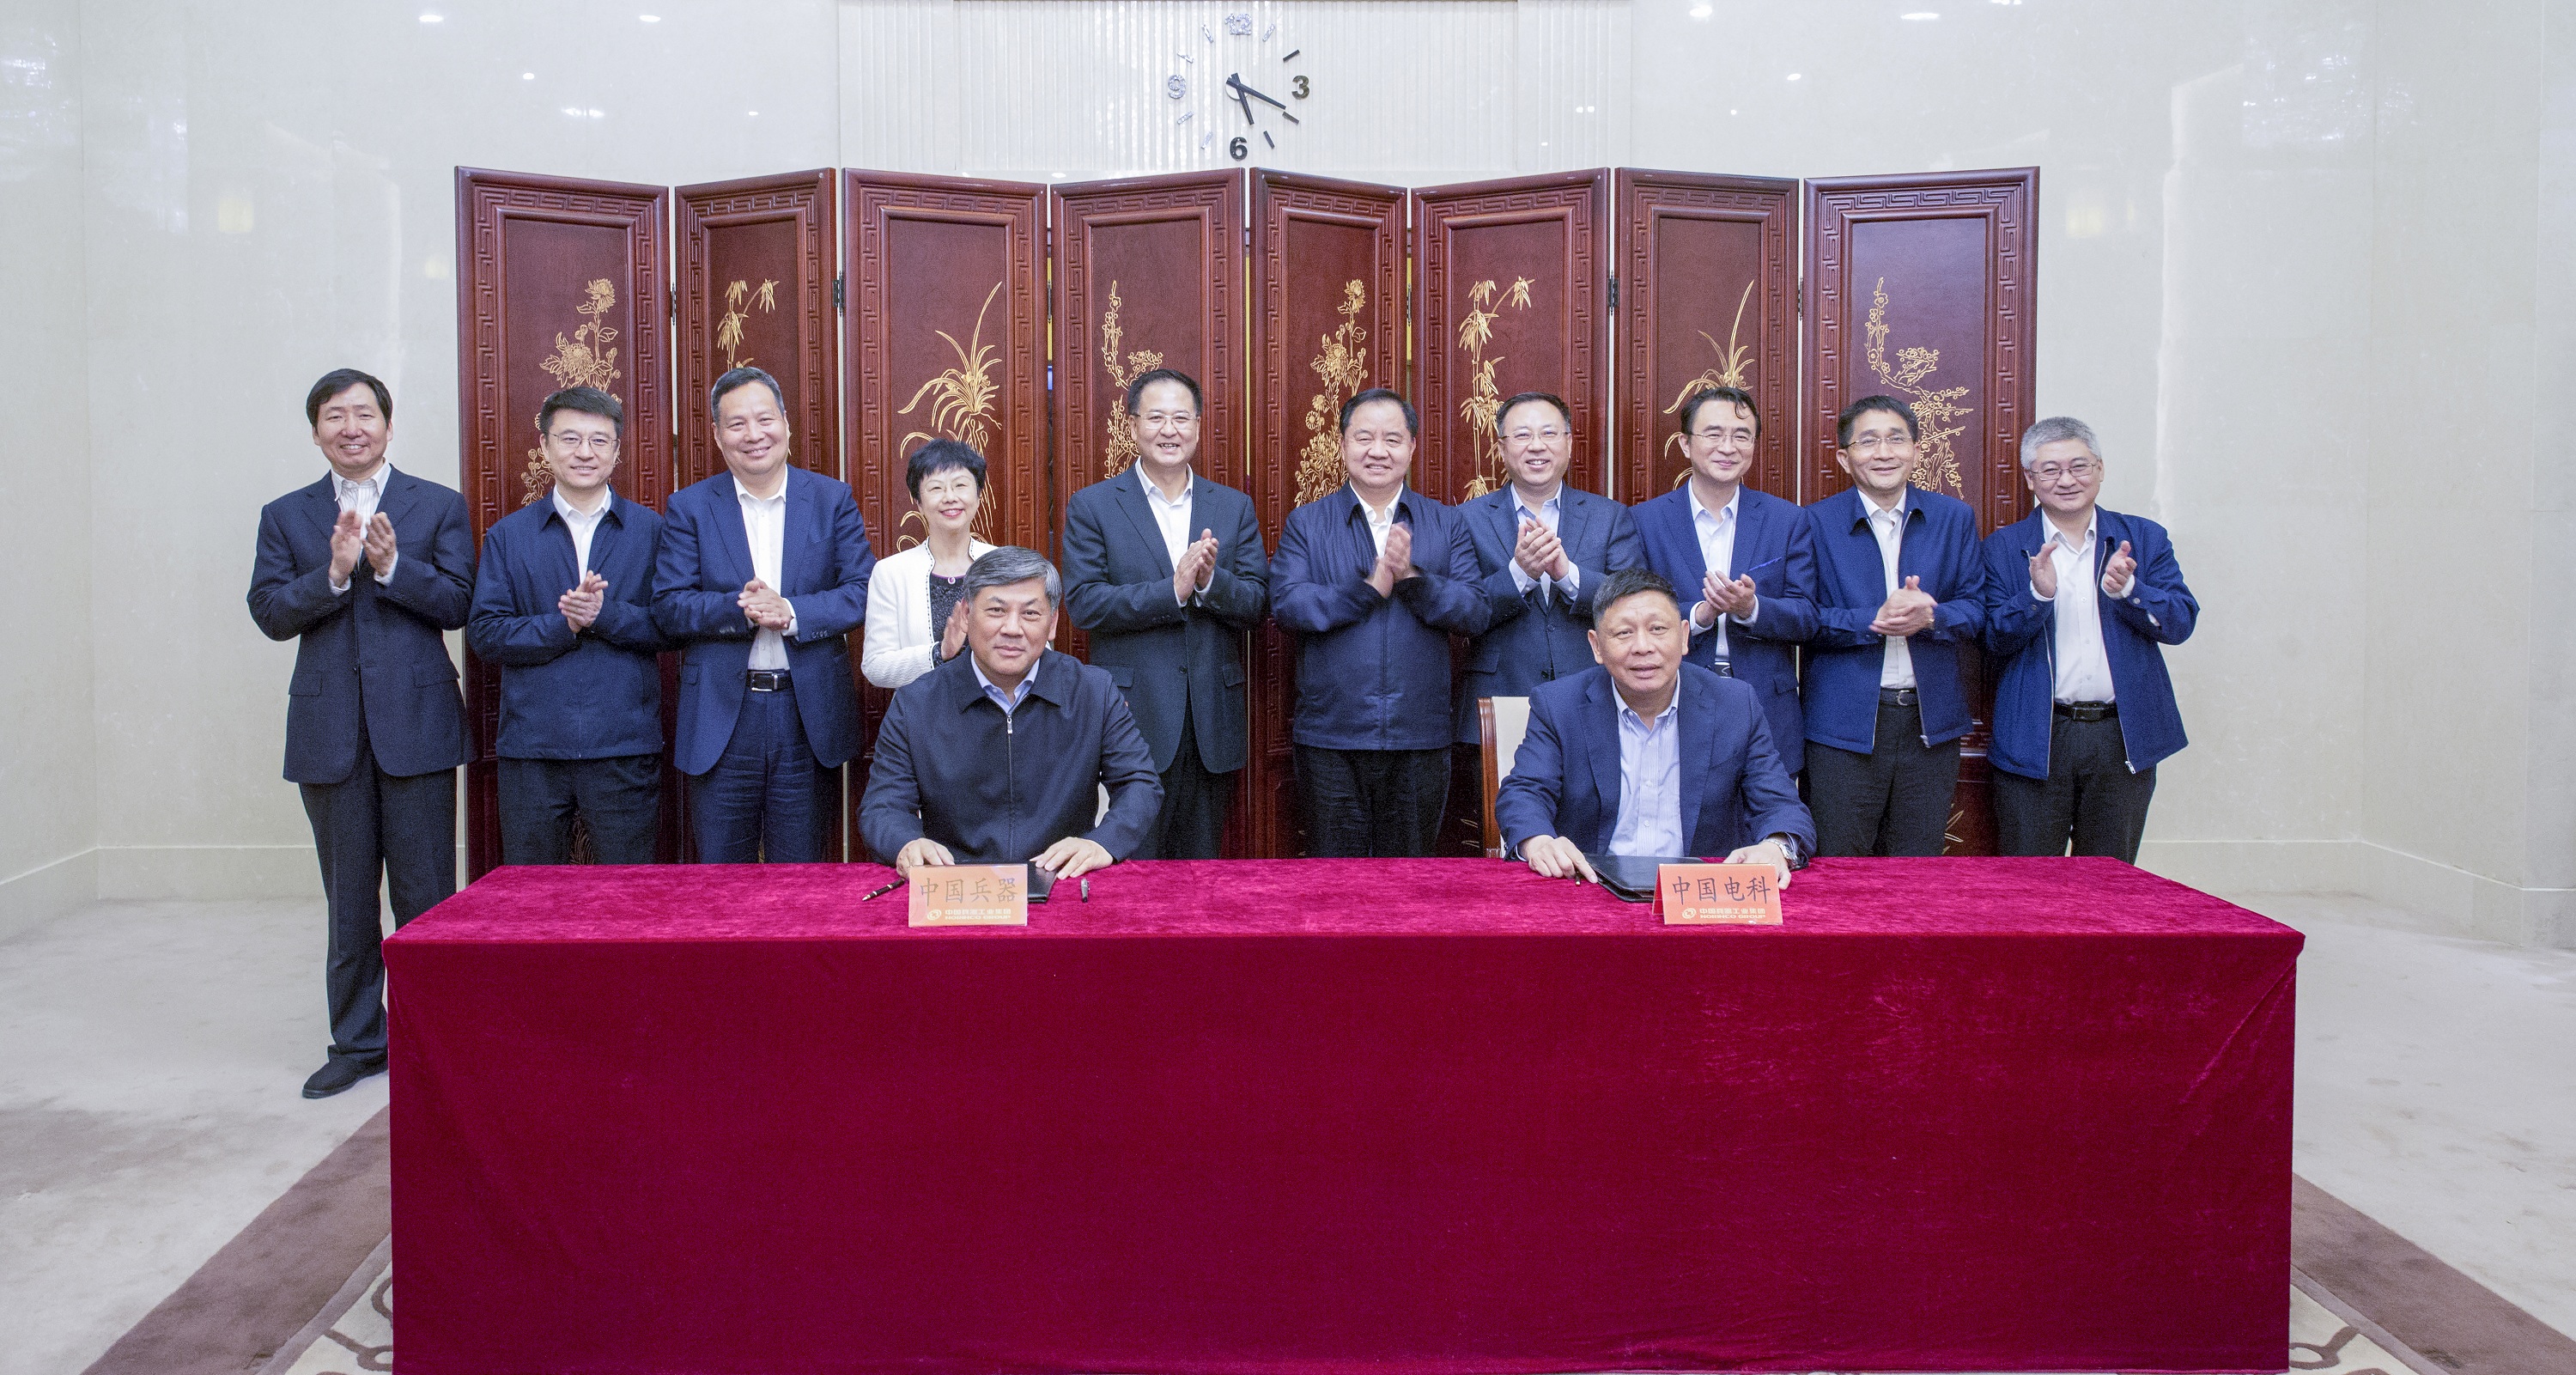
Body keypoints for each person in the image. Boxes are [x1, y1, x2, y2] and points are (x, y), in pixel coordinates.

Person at [246, 368, 472, 1098]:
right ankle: (357, 1041)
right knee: (348, 903)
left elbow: (459, 603)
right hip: (329, 732)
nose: (352, 427)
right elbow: (270, 612)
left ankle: (432, 1039)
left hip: (418, 728)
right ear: (316, 432)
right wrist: (336, 573)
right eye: (335, 416)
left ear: (388, 424)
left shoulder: (437, 504)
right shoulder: (286, 515)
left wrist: (394, 566)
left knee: (427, 895)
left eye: (365, 413)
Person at [653, 366, 877, 862]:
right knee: (720, 875)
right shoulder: (690, 507)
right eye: (737, 424)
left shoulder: (831, 499)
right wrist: (744, 610)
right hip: (722, 716)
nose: (753, 435)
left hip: (806, 712)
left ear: (786, 425)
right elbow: (668, 605)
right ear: (718, 435)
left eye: (764, 419)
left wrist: (791, 611)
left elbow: (864, 591)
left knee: (800, 874)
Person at [1272, 388, 1491, 857]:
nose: (1378, 451)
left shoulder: (1446, 522)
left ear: (1411, 447)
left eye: (1392, 439)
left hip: (1419, 736)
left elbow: (1474, 610)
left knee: (1408, 879)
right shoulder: (1307, 523)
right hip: (1331, 734)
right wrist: (1368, 589)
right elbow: (1288, 605)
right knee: (1338, 877)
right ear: (1342, 444)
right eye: (1364, 437)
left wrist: (1411, 579)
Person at [1061, 368, 1269, 859]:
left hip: (1211, 721)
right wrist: (1170, 592)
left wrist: (1210, 584)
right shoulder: (1094, 506)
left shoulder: (1233, 507)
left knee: (1200, 870)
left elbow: (1258, 603)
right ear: (1133, 425)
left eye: (1181, 418)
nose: (1169, 430)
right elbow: (1084, 603)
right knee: (1130, 867)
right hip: (1132, 715)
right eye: (1156, 418)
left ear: (1198, 425)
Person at [1496, 568, 1813, 885]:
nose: (1643, 646)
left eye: (1658, 629)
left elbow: (1781, 806)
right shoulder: (1558, 705)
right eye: (1624, 633)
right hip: (1590, 886)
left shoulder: (1734, 704)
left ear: (1684, 637)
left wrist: (1775, 847)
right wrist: (1538, 841)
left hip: (1700, 893)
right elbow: (1524, 793)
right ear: (1597, 646)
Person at [861, 546, 1163, 878]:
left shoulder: (1093, 691)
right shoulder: (917, 702)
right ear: (965, 615)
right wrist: (906, 843)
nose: (1012, 628)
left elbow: (1139, 783)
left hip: (1061, 877)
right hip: (956, 883)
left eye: (1030, 613)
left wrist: (1102, 843)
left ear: (1052, 623)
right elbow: (883, 804)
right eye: (996, 610)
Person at [465, 386, 669, 865]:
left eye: (599, 441)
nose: (584, 452)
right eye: (570, 438)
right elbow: (486, 633)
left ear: (616, 451)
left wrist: (604, 615)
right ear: (545, 446)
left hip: (624, 745)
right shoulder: (509, 536)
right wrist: (564, 625)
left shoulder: (651, 531)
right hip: (533, 747)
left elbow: (672, 627)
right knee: (534, 894)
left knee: (628, 892)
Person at [1981, 417, 2198, 861]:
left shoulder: (2143, 539)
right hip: (2036, 733)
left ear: (2100, 469)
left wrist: (2131, 591)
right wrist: (2037, 596)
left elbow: (2180, 624)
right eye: (2050, 470)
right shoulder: (2003, 547)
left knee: (2110, 879)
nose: (2066, 480)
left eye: (2079, 466)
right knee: (2028, 878)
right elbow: (1992, 640)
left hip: (2121, 734)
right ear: (2030, 479)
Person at [1801, 394, 1990, 857]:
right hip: (1841, 727)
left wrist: (1933, 616)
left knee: (1916, 866)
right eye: (1868, 441)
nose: (1883, 453)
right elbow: (1802, 619)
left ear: (1916, 450)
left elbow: (1977, 610)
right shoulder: (1814, 522)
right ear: (1844, 458)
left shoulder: (1954, 519)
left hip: (1931, 724)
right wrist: (1872, 621)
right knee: (1839, 865)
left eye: (1896, 440)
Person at [1628, 384, 1820, 775]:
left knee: (1767, 809)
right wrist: (1699, 615)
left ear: (1754, 445)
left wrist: (1751, 608)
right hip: (1672, 696)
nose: (1728, 447)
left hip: (1766, 703)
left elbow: (1807, 617)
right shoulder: (1645, 520)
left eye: (1741, 436)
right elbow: (1630, 612)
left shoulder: (1787, 519)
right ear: (1686, 444)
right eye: (1713, 434)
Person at [1452, 390, 1643, 739]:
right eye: (1522, 435)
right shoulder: (1466, 519)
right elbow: (1461, 612)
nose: (1537, 446)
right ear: (1501, 449)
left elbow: (1633, 604)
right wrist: (1519, 574)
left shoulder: (1610, 516)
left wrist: (1568, 576)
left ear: (1568, 443)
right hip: (1499, 695)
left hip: (1591, 693)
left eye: (1549, 433)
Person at [860, 439, 995, 691]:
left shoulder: (1003, 565)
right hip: (921, 710)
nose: (950, 497)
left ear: (978, 496)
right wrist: (940, 652)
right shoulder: (891, 572)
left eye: (960, 485)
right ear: (918, 502)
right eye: (936, 488)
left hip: (999, 707)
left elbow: (1038, 648)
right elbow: (875, 666)